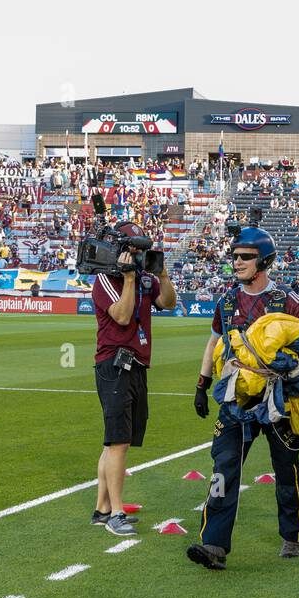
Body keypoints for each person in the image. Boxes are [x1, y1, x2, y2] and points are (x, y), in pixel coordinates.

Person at [187, 221, 299, 571]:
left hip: (279, 401)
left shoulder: (287, 301)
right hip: (236, 400)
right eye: (234, 256)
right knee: (224, 468)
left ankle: (292, 534)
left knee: (286, 470)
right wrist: (202, 384)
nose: (237, 262)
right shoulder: (226, 301)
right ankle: (214, 545)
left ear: (264, 261)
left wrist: (296, 366)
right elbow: (214, 342)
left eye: (246, 257)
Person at [91, 222, 177, 535]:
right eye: (134, 250)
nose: (138, 256)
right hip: (114, 364)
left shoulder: (143, 278)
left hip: (136, 364)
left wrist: (162, 275)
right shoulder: (105, 279)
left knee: (115, 442)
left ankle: (101, 509)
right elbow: (123, 315)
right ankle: (115, 513)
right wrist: (129, 278)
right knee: (118, 442)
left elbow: (168, 303)